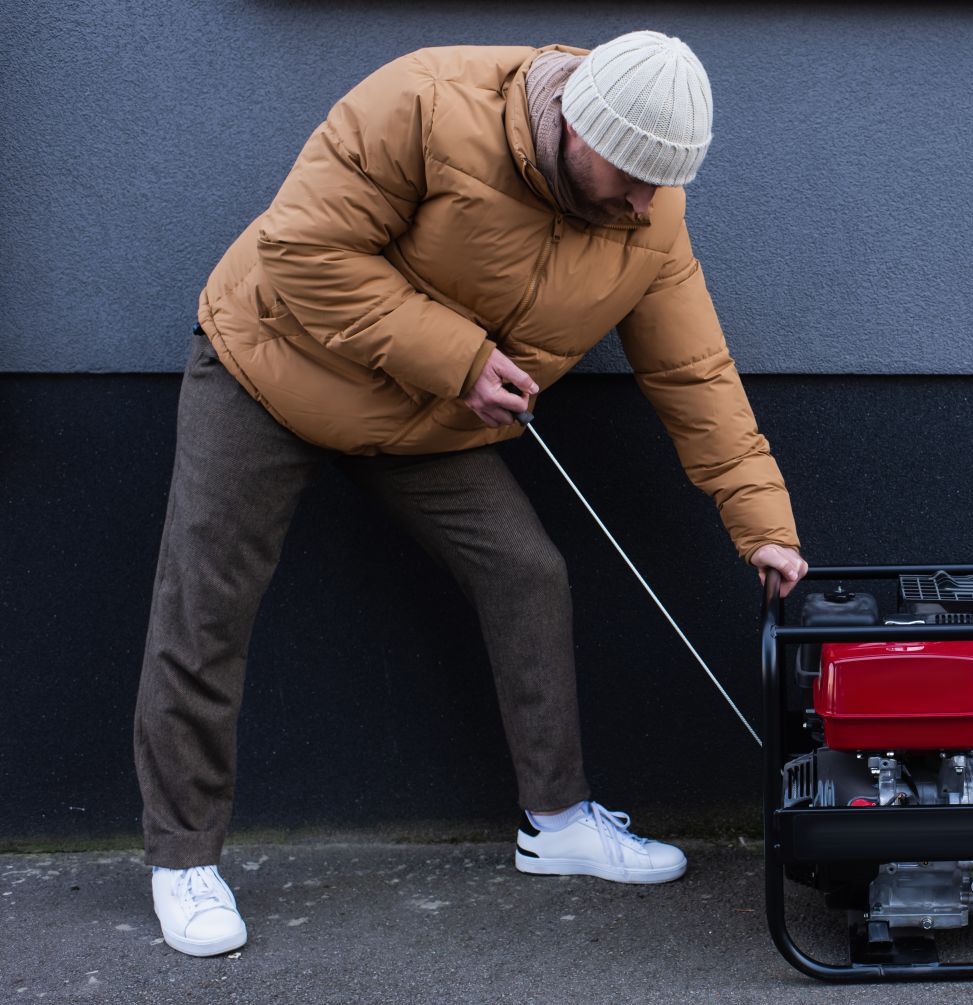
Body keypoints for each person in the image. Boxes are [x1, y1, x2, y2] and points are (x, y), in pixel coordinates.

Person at [134, 31, 807, 957]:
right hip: (272, 363)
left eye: (668, 180)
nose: (649, 201)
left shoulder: (650, 212)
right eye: (635, 172)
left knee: (527, 573)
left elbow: (695, 375)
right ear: (577, 124)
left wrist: (763, 527)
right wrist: (457, 359)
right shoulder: (425, 101)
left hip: (424, 414)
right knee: (206, 603)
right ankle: (182, 858)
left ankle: (557, 822)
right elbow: (301, 250)